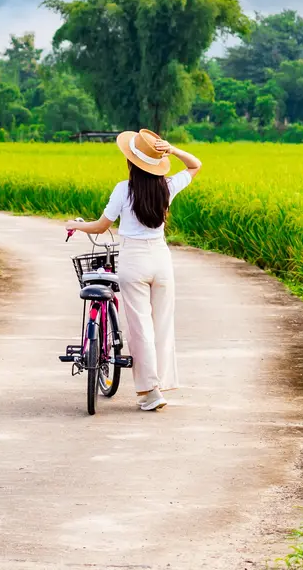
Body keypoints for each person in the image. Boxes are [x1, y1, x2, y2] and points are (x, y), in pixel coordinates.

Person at [69, 128, 202, 412]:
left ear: (131, 161)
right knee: (162, 325)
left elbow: (101, 226)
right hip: (161, 260)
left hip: (133, 261)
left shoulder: (123, 189)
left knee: (140, 327)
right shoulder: (166, 186)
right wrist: (174, 150)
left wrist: (76, 225)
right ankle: (161, 385)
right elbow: (195, 165)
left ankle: (150, 391)